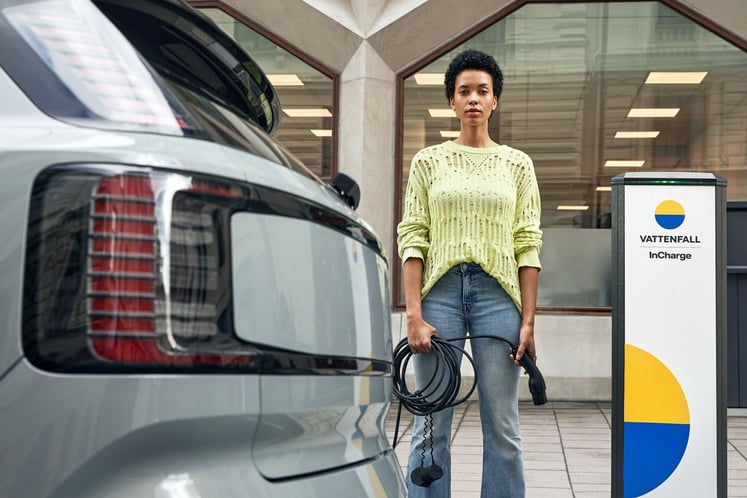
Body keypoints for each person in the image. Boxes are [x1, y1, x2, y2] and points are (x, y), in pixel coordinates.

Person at [396, 48, 542, 498]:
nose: (474, 98)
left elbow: (528, 243)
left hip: (498, 297)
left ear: (494, 100)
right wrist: (414, 313)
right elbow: (413, 235)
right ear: (452, 102)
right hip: (439, 294)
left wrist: (529, 319)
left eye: (483, 90)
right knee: (429, 423)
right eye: (465, 91)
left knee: (503, 426)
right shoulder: (428, 162)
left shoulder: (517, 165)